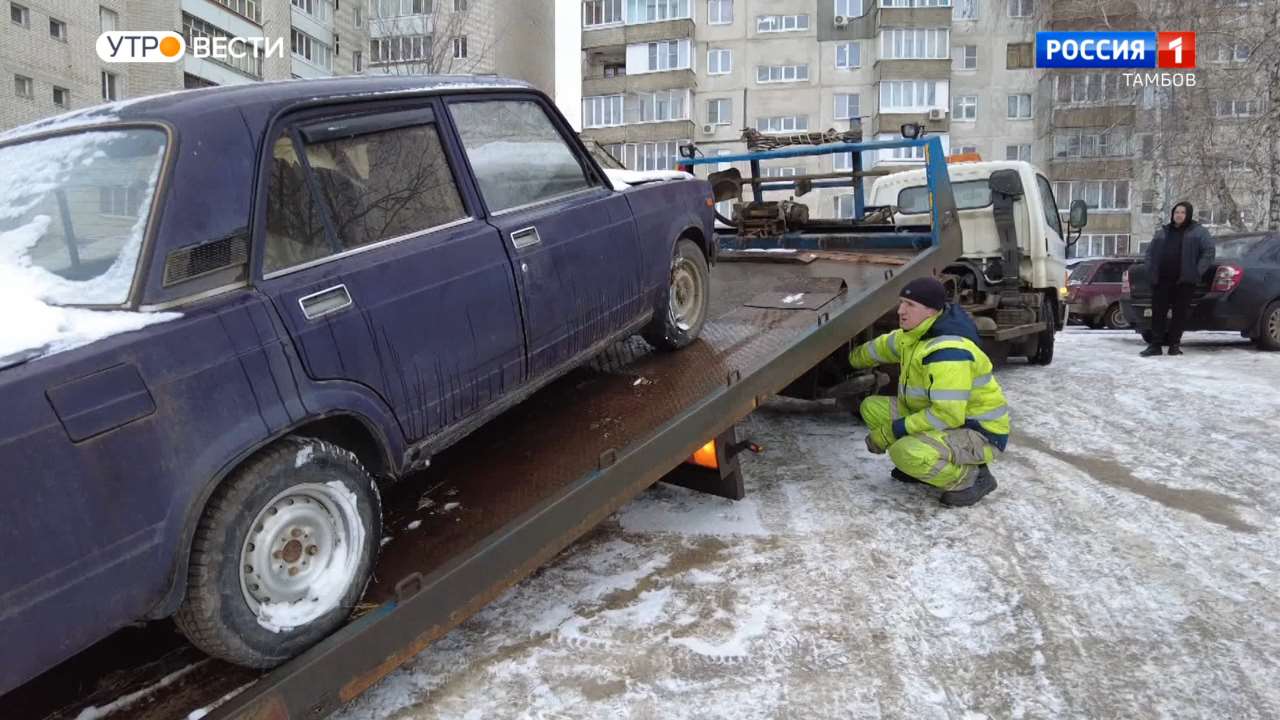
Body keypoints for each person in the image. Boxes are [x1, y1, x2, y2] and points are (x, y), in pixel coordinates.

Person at [850, 277, 1010, 507]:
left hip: (977, 431)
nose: (901, 311)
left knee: (904, 451)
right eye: (902, 302)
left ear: (931, 311)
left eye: (910, 305)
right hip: (948, 419)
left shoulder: (949, 351)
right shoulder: (915, 334)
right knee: (871, 408)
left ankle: (972, 478)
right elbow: (880, 348)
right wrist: (846, 359)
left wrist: (891, 431)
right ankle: (920, 468)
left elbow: (947, 415)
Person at [1140, 201, 1215, 357]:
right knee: (1158, 313)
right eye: (1176, 212)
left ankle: (1174, 345)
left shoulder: (1198, 232)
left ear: (1188, 214)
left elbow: (1208, 252)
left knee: (1179, 314)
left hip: (1184, 281)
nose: (1179, 215)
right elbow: (1150, 253)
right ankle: (1155, 345)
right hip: (1162, 280)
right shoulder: (1163, 231)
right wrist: (1150, 269)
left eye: (1182, 212)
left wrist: (1196, 272)